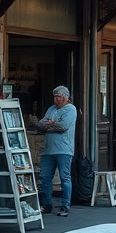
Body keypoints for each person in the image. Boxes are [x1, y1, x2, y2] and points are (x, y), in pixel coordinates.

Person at [37, 85, 78, 217]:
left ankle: (65, 205)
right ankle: (46, 204)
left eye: (59, 97)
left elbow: (63, 126)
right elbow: (41, 124)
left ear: (66, 97)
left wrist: (50, 124)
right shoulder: (51, 109)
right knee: (45, 178)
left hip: (64, 149)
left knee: (65, 178)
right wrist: (50, 124)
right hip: (48, 149)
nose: (56, 99)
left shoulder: (71, 109)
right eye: (55, 97)